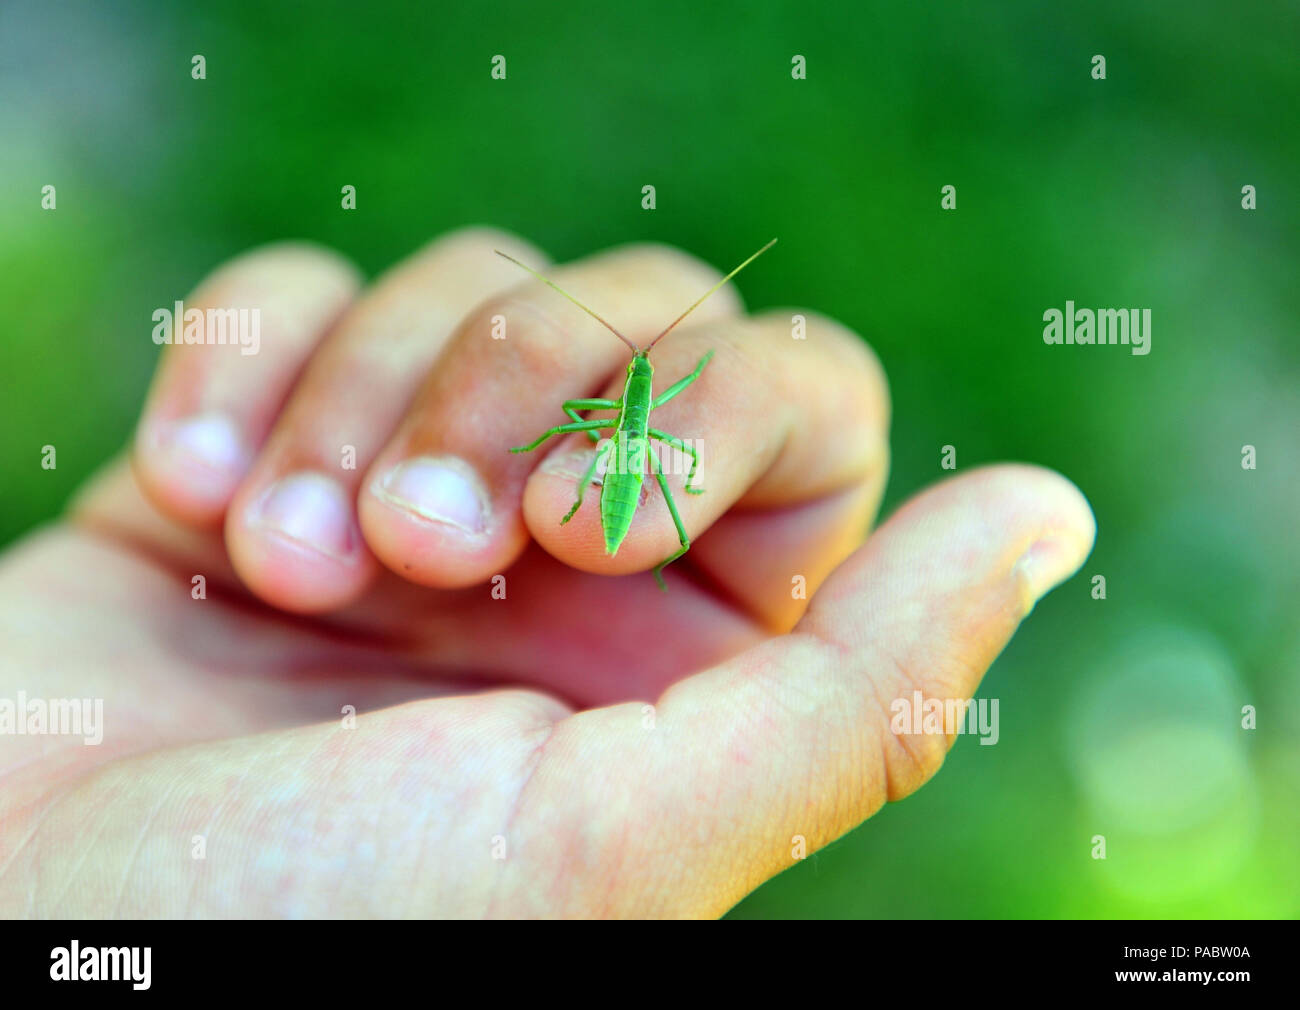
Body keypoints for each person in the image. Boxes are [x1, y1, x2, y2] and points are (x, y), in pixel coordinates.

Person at [0, 228, 1094, 917]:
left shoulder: (657, 417)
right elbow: (593, 418)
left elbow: (682, 392)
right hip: (607, 476)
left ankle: (616, 543)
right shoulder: (613, 420)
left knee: (655, 486)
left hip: (634, 488)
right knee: (609, 467)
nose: (625, 402)